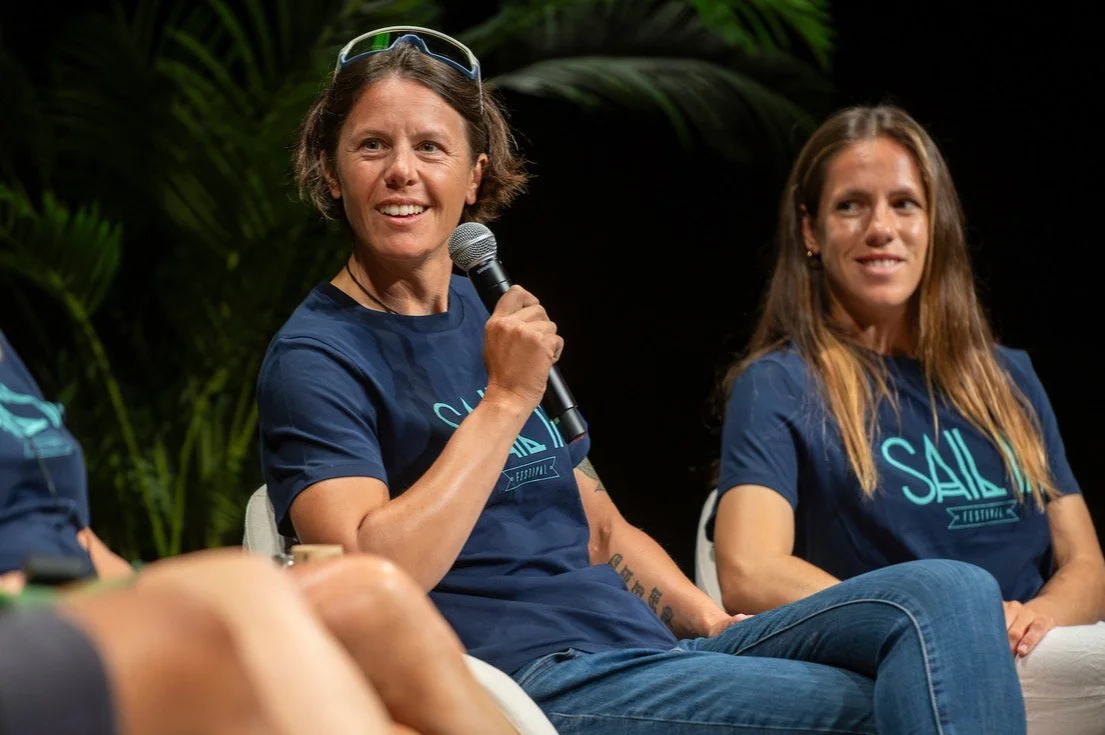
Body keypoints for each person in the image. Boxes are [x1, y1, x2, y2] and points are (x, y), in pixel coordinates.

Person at [258, 26, 1030, 734]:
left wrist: (707, 621)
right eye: (370, 146)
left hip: (645, 653)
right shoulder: (318, 356)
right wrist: (503, 402)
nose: (402, 171)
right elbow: (369, 580)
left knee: (951, 593)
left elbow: (600, 526)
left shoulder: (487, 312)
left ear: (473, 175)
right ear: (330, 172)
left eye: (430, 147)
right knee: (882, 704)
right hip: (527, 682)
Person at [709, 104, 1105, 734]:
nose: (880, 228)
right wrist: (941, 624)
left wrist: (1044, 615)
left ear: (935, 223)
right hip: (902, 668)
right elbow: (749, 569)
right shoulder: (779, 384)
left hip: (1046, 655)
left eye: (904, 203)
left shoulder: (1009, 377)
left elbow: (1084, 558)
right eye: (850, 206)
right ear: (810, 231)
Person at [0, 324, 519, 735]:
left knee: (369, 595)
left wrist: (141, 585)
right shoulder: (315, 353)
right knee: (230, 610)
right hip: (23, 613)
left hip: (69, 586)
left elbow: (65, 526)